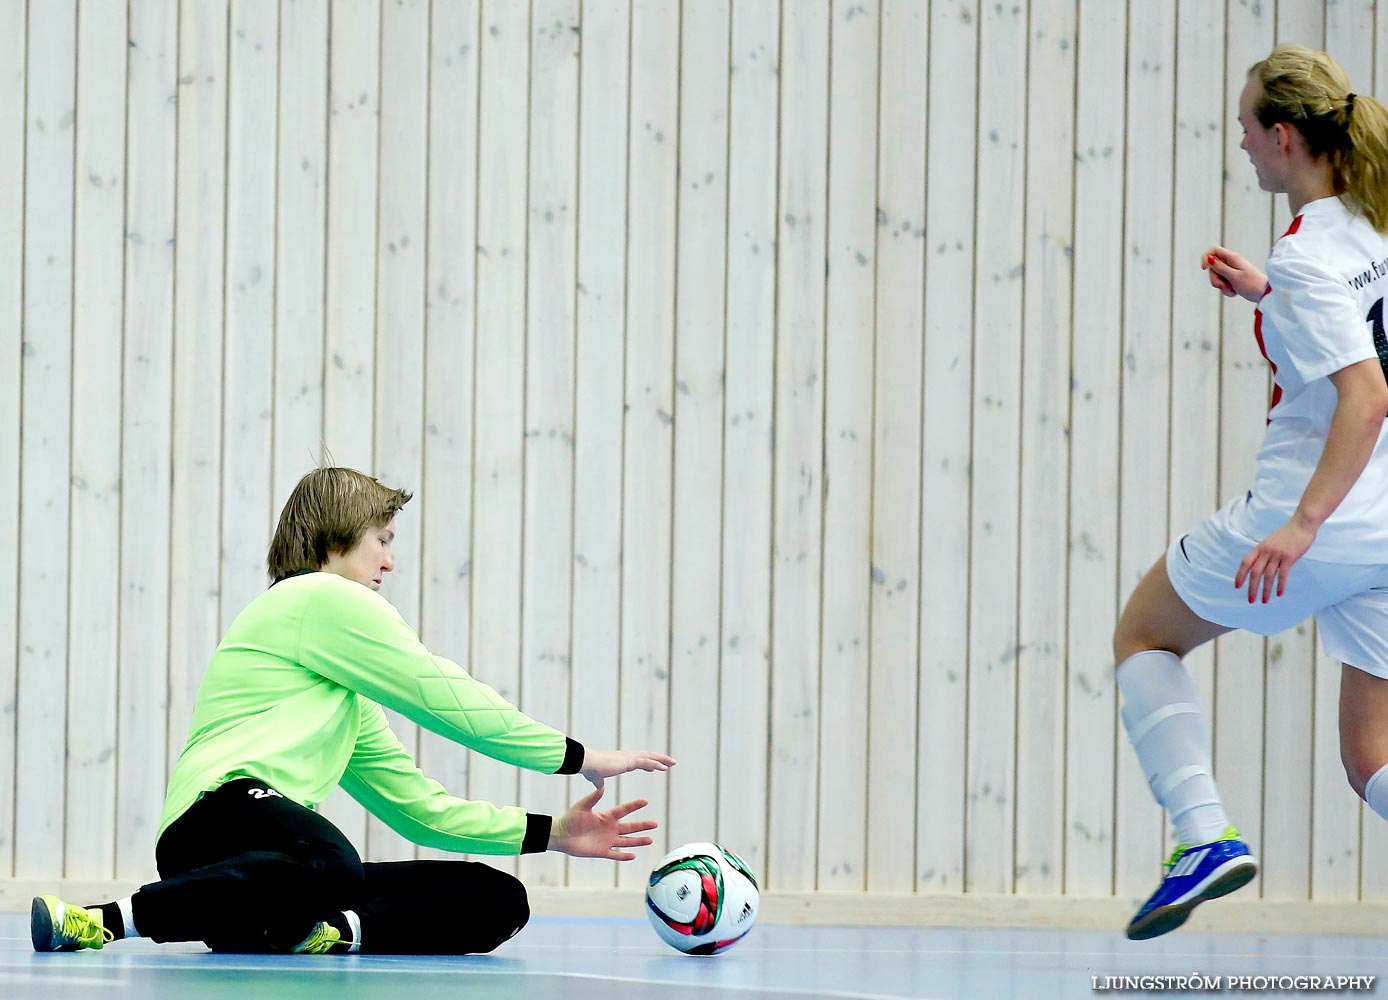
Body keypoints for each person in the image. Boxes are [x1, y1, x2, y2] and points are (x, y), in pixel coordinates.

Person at [32, 467, 675, 955]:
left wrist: (551, 833)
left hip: (272, 878)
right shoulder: (312, 598)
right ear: (335, 539)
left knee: (495, 896)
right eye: (380, 540)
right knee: (329, 861)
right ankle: (106, 920)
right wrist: (578, 757)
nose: (389, 561)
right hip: (215, 827)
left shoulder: (342, 696)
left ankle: (317, 933)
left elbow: (417, 810)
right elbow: (440, 692)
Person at [1115, 44, 1388, 941]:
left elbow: (1367, 392)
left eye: (1244, 128)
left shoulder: (1309, 253)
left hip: (1315, 511)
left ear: (1282, 138)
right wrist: (1270, 296)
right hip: (1387, 523)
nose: (1239, 144)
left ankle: (1201, 839)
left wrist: (1302, 525)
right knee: (1372, 756)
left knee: (1144, 635)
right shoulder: (1373, 223)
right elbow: (1356, 326)